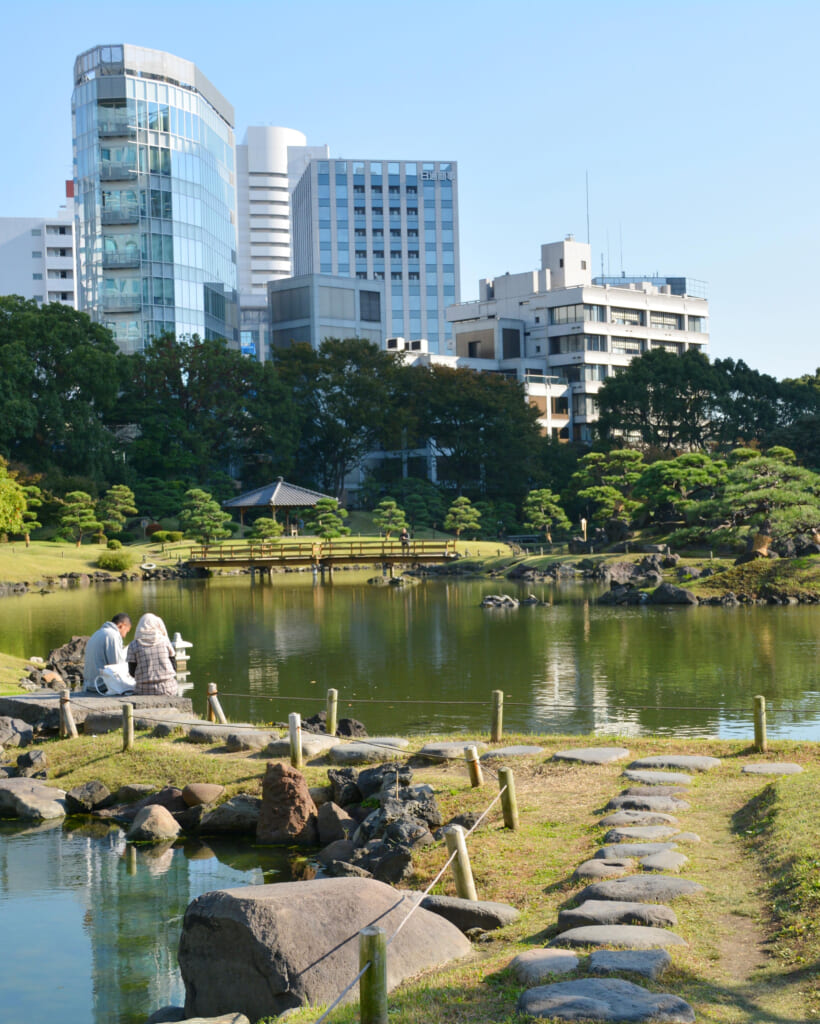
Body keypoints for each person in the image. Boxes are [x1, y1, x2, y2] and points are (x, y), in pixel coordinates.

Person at [127, 613, 178, 696]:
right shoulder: (165, 642)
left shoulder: (133, 645)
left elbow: (132, 672)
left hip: (143, 690)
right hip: (168, 688)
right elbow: (174, 667)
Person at [83, 613, 132, 690]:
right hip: (101, 686)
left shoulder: (98, 633)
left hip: (88, 684)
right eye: (126, 631)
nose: (124, 636)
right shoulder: (112, 635)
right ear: (122, 626)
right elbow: (117, 666)